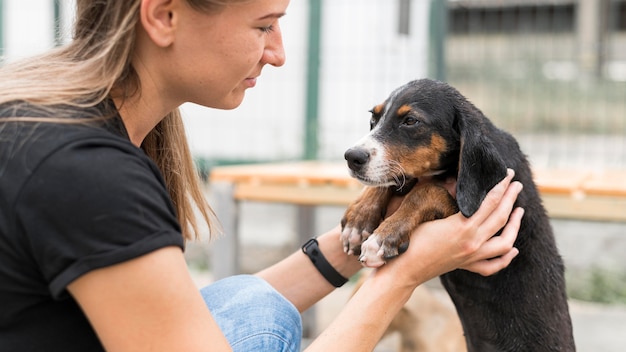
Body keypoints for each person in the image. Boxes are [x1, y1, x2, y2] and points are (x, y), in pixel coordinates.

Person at [0, 0, 524, 351]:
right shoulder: (90, 174)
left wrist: (363, 240)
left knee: (251, 303)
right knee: (266, 321)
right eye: (263, 25)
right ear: (163, 16)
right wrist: (400, 278)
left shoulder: (52, 119)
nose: (278, 53)